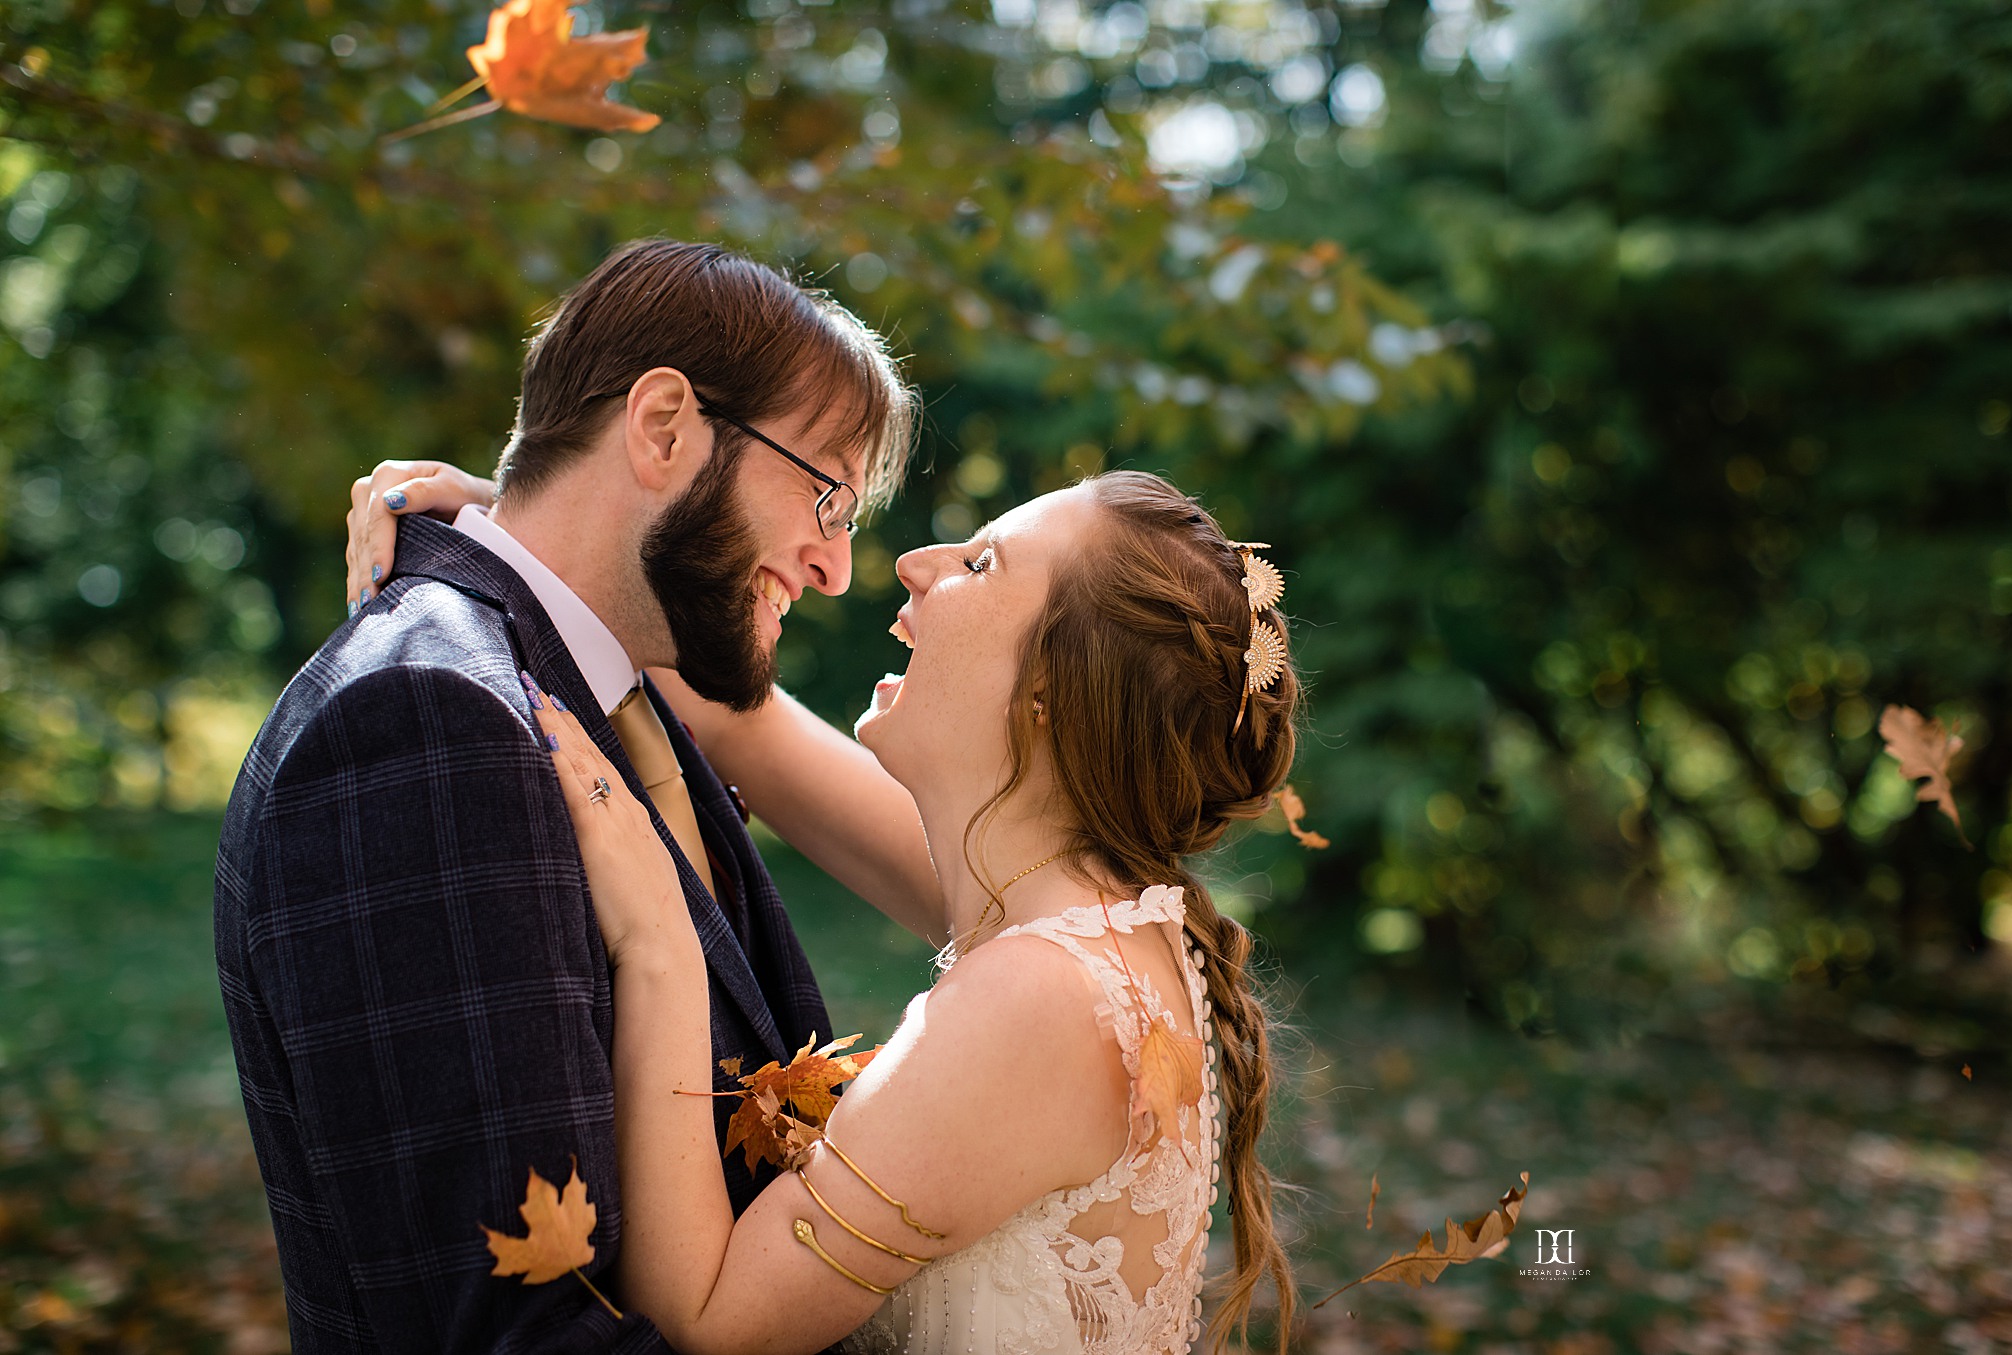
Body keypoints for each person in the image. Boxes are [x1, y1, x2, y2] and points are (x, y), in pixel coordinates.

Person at [364, 468, 1304, 1354]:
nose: (913, 563)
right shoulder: (1090, 916)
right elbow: (738, 713)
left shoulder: (1039, 994)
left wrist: (659, 937)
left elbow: (715, 1317)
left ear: (1052, 688)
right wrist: (528, 535)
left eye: (980, 563)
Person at [215, 237, 917, 1352]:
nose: (835, 564)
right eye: (826, 492)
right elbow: (520, 1329)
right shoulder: (429, 722)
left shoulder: (602, 694)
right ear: (662, 426)